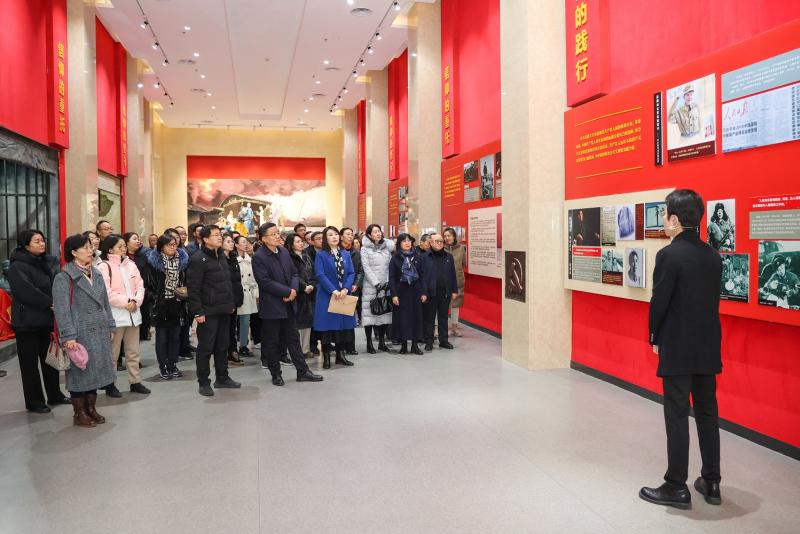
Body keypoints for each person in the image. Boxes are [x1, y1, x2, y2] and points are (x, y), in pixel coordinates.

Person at [641, 189, 723, 510]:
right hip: (707, 346)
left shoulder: (669, 255)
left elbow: (659, 302)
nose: (663, 220)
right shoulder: (713, 256)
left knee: (677, 413)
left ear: (674, 219)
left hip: (677, 346)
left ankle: (676, 485)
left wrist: (654, 336)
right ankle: (712, 481)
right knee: (707, 412)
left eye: (665, 214)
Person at [52, 234, 117, 428]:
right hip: (79, 333)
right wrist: (68, 336)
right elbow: (62, 310)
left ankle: (91, 409)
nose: (91, 250)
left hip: (99, 330)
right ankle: (79, 412)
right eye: (86, 247)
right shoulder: (64, 277)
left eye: (91, 247)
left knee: (94, 372)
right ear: (73, 252)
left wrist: (110, 325)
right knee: (80, 373)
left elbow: (105, 303)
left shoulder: (96, 273)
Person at [252, 223, 323, 385]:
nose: (278, 236)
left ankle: (303, 371)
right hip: (272, 305)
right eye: (273, 234)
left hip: (289, 302)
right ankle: (276, 374)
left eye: (278, 233)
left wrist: (293, 290)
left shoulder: (283, 251)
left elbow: (294, 273)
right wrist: (286, 292)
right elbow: (264, 281)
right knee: (272, 342)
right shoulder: (259, 257)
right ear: (263, 239)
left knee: (293, 339)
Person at [7, 230, 69, 413]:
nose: (42, 244)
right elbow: (26, 291)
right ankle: (34, 401)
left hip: (47, 320)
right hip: (27, 322)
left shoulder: (48, 262)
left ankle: (55, 395)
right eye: (37, 241)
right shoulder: (17, 266)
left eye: (42, 240)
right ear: (26, 245)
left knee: (50, 360)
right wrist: (50, 303)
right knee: (29, 365)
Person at [186, 225, 241, 396]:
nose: (219, 238)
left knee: (222, 346)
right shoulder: (198, 259)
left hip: (224, 308)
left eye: (220, 235)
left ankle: (222, 377)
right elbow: (193, 288)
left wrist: (231, 303)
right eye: (215, 235)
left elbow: (227, 283)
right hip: (208, 311)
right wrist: (198, 312)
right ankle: (203, 382)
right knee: (205, 348)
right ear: (205, 239)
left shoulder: (221, 256)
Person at [97, 235, 150, 396]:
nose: (123, 249)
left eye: (124, 246)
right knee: (112, 354)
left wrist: (135, 301)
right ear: (110, 249)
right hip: (115, 316)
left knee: (133, 352)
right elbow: (106, 292)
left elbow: (140, 286)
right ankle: (110, 384)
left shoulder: (131, 264)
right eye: (119, 246)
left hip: (133, 315)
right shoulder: (103, 266)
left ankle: (135, 381)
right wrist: (126, 302)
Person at [145, 234, 189, 380]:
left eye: (175, 244)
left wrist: (184, 293)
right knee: (162, 338)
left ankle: (172, 364)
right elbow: (147, 286)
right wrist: (156, 298)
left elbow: (186, 280)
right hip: (161, 304)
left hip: (177, 303)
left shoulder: (182, 261)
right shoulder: (154, 263)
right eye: (169, 245)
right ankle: (163, 366)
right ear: (161, 247)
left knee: (175, 337)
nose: (173, 247)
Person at [313, 226, 357, 369]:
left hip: (343, 295)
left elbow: (351, 273)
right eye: (330, 235)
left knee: (342, 327)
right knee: (327, 328)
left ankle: (340, 356)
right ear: (325, 238)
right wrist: (333, 290)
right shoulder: (321, 255)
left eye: (336, 234)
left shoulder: (345, 253)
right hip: (327, 296)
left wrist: (345, 288)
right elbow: (320, 275)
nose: (334, 237)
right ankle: (326, 357)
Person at [388, 233, 427, 355]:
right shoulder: (395, 258)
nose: (407, 243)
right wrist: (394, 294)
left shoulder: (418, 256)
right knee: (402, 319)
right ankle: (404, 345)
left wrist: (424, 292)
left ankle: (415, 345)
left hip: (415, 291)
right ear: (399, 243)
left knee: (416, 318)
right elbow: (392, 278)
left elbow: (423, 276)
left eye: (409, 241)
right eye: (404, 241)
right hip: (401, 292)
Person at [421, 233, 458, 351]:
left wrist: (454, 290)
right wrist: (423, 292)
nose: (440, 243)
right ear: (431, 243)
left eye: (441, 241)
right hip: (430, 292)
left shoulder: (448, 256)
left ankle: (444, 341)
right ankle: (429, 341)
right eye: (437, 241)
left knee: (443, 317)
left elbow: (452, 274)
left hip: (445, 292)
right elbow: (422, 277)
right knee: (429, 318)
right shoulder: (424, 257)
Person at [360, 224, 394, 354]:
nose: (378, 234)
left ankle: (382, 342)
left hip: (385, 285)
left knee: (384, 313)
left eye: (379, 231)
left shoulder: (387, 248)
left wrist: (387, 282)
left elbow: (390, 266)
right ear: (369, 235)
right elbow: (366, 267)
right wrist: (376, 284)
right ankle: (369, 343)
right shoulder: (365, 249)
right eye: (374, 232)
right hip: (371, 285)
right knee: (370, 315)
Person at [285, 233, 316, 357]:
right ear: (291, 244)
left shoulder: (306, 256)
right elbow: (293, 275)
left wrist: (312, 285)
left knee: (307, 322)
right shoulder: (289, 257)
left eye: (301, 241)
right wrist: (304, 287)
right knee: (296, 323)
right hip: (296, 294)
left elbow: (313, 273)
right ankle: (296, 351)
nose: (301, 243)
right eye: (297, 242)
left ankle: (305, 349)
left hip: (309, 293)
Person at [125, 232, 152, 342]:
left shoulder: (142, 257)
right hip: (127, 295)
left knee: (143, 318)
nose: (138, 241)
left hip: (142, 292)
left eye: (138, 239)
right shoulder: (122, 258)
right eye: (134, 239)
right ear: (126, 242)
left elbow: (147, 275)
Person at [222, 235, 245, 367]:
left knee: (232, 328)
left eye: (232, 241)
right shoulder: (219, 258)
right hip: (224, 300)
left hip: (235, 298)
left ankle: (232, 352)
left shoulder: (233, 257)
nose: (231, 244)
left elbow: (237, 280)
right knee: (224, 329)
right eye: (228, 241)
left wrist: (238, 297)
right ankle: (224, 353)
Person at [234, 236, 258, 356]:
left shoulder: (250, 259)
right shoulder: (233, 259)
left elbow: (254, 278)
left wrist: (256, 294)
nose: (246, 244)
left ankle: (243, 345)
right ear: (236, 245)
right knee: (233, 322)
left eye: (247, 242)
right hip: (236, 292)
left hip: (248, 292)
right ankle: (231, 347)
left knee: (245, 321)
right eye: (243, 242)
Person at [341, 227, 363, 353]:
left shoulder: (356, 252)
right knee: (339, 317)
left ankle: (350, 347)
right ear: (341, 236)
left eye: (351, 234)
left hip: (352, 288)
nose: (350, 236)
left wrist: (356, 284)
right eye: (347, 234)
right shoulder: (337, 251)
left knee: (350, 317)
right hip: (339, 289)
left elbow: (360, 270)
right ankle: (340, 346)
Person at [443, 227, 466, 337]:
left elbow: (463, 263)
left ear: (454, 236)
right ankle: (438, 328)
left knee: (455, 305)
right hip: (443, 281)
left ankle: (454, 327)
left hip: (457, 280)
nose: (447, 238)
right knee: (441, 305)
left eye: (449, 235)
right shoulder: (442, 249)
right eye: (445, 236)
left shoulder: (461, 248)